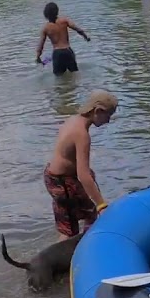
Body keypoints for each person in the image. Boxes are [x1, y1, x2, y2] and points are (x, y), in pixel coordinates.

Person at [44, 90, 118, 240]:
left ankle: (81, 246)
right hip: (63, 182)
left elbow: (68, 156)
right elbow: (83, 175)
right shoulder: (82, 135)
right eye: (108, 116)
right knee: (70, 228)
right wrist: (102, 204)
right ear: (97, 111)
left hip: (54, 176)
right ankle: (72, 256)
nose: (108, 121)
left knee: (85, 214)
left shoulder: (73, 120)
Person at [35, 2, 91, 76]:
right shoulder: (64, 21)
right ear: (57, 11)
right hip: (68, 51)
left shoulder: (46, 28)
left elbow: (41, 44)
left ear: (46, 14)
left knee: (59, 78)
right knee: (75, 74)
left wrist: (38, 56)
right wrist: (85, 37)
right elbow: (78, 29)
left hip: (57, 54)